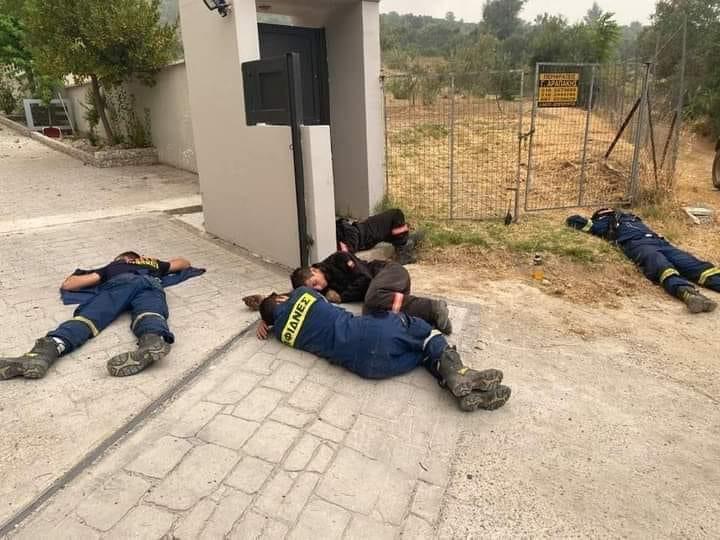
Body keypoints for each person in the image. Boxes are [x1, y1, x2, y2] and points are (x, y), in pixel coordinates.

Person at [259, 288, 511, 412]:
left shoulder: (281, 334)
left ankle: (467, 391)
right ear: (280, 298)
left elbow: (276, 316)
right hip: (370, 332)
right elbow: (324, 299)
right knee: (426, 334)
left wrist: (266, 321)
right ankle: (459, 372)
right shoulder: (301, 294)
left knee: (423, 354)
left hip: (369, 368)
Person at [0, 251, 198, 380]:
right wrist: (153, 262)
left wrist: (99, 273)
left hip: (122, 284)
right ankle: (152, 340)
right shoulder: (152, 264)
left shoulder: (112, 267)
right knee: (150, 311)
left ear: (121, 258)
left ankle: (45, 352)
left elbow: (69, 285)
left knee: (91, 316)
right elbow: (184, 262)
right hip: (151, 283)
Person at [567, 208, 719, 313]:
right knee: (661, 266)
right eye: (606, 210)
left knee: (694, 265)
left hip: (660, 242)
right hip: (637, 245)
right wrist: (590, 220)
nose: (611, 209)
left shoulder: (632, 218)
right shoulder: (605, 222)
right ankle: (688, 293)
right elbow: (573, 221)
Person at [290, 250, 452, 334]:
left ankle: (433, 306)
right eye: (314, 289)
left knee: (371, 298)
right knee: (370, 311)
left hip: (391, 272)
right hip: (389, 294)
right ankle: (429, 318)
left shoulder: (339, 258)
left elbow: (366, 278)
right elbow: (294, 298)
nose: (318, 289)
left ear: (314, 270)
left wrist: (342, 297)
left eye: (315, 283)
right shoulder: (324, 288)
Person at [336, 208, 423, 264]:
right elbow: (346, 253)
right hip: (361, 234)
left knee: (392, 222)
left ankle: (404, 239)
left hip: (359, 231)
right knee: (396, 214)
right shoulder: (341, 242)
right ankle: (402, 250)